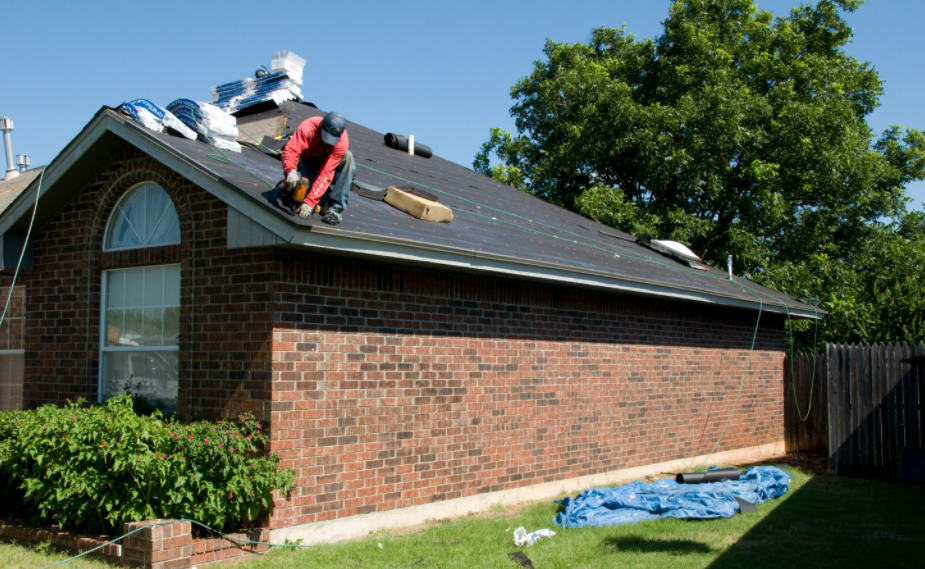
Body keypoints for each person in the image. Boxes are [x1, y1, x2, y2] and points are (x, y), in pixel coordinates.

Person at [281, 111, 355, 224]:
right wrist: (291, 170)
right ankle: (324, 197)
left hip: (329, 167)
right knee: (311, 195)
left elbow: (326, 173)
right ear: (321, 126)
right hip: (309, 162)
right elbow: (291, 150)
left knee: (348, 157)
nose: (328, 143)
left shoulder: (341, 142)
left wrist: (310, 202)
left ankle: (335, 209)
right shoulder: (308, 128)